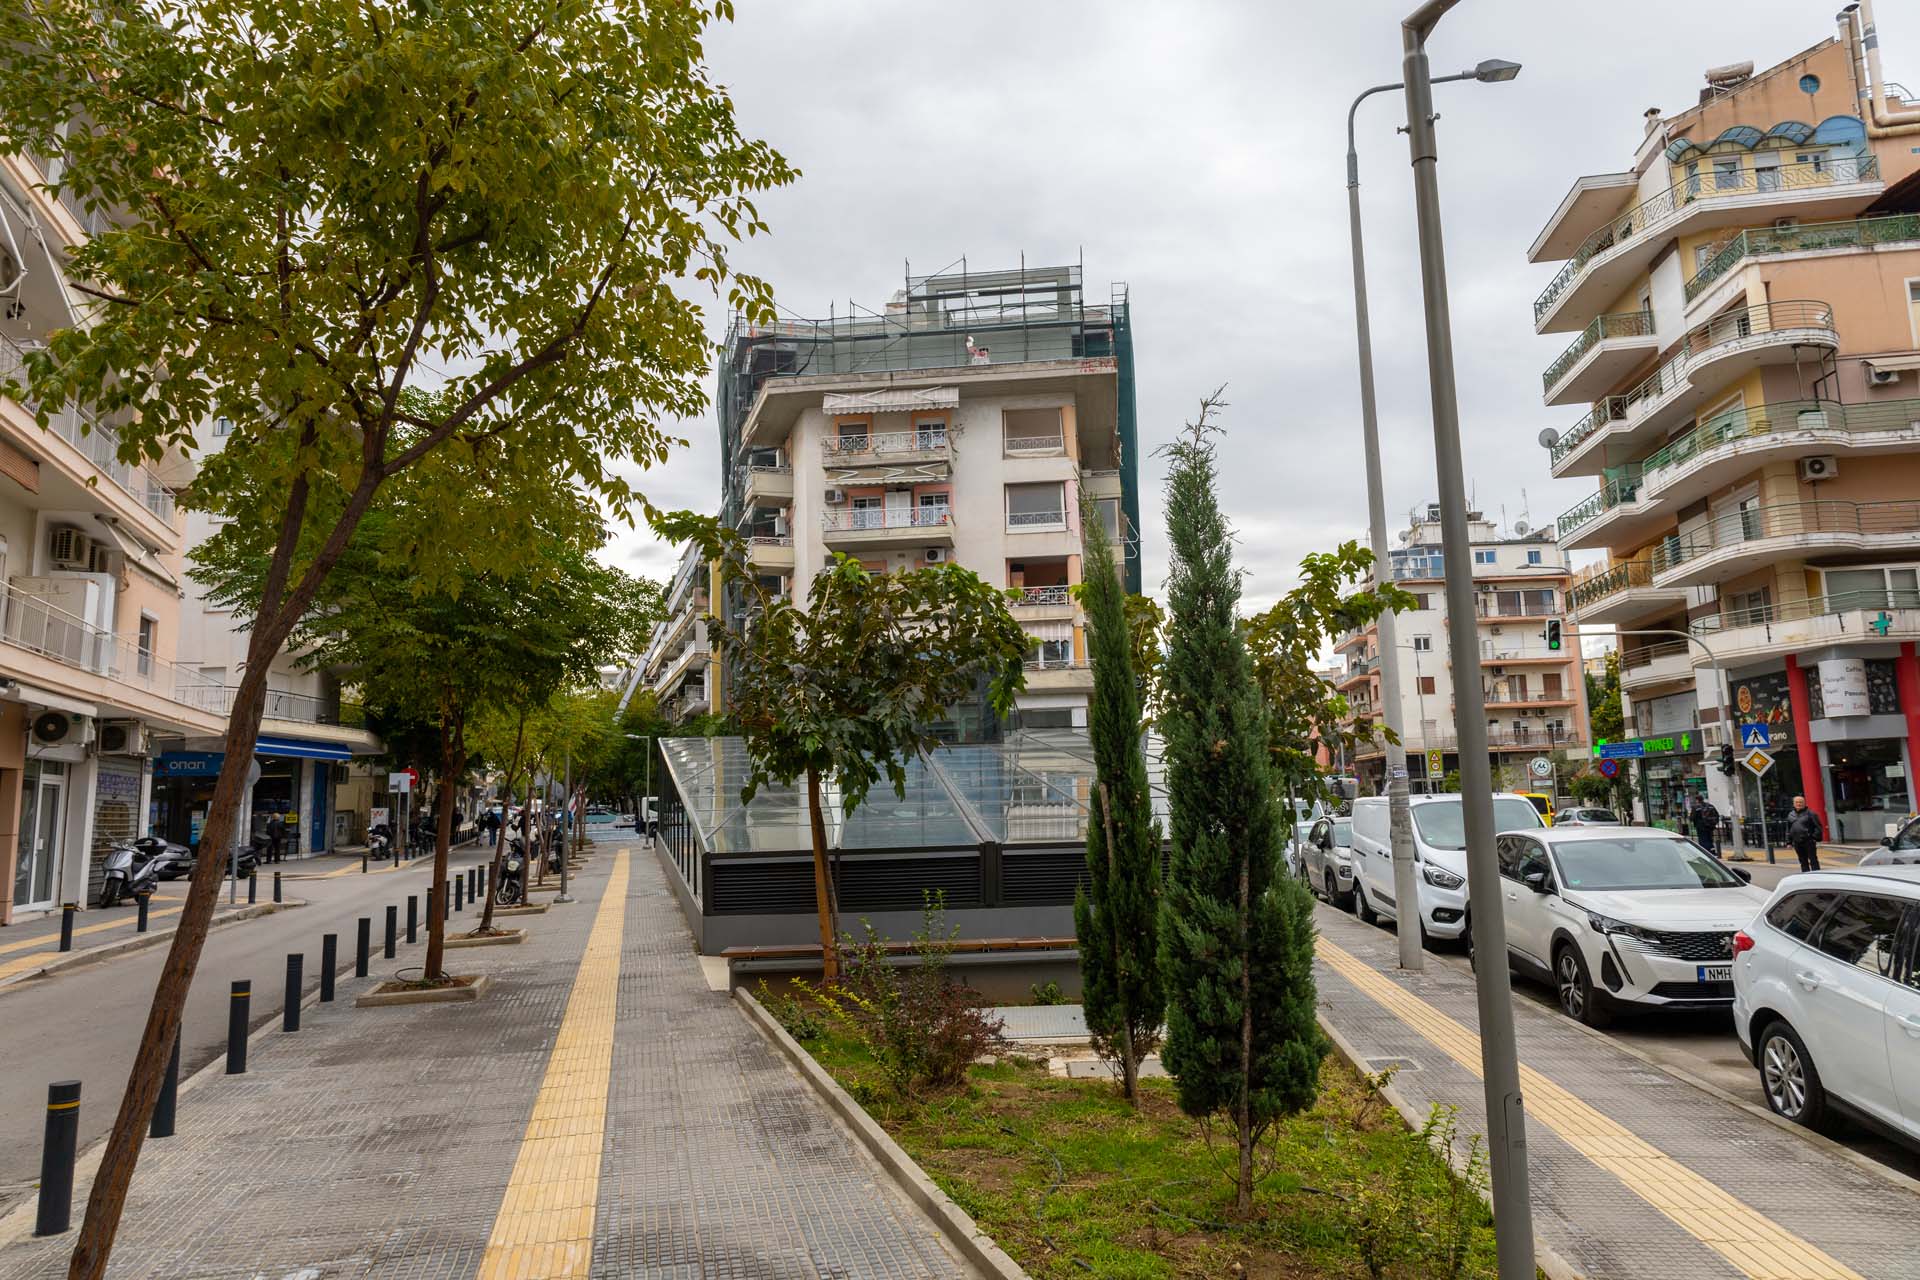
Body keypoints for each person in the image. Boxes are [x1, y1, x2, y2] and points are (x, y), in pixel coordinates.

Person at [1787, 795, 1824, 873]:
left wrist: (1814, 838)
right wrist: (1789, 842)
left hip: (1809, 841)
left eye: (1801, 802)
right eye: (1797, 802)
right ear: (1793, 804)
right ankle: (1805, 875)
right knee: (1802, 861)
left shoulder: (1811, 813)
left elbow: (1818, 827)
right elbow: (1789, 829)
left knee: (1813, 860)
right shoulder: (1790, 814)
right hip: (1797, 841)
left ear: (1804, 803)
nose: (1799, 804)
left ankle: (1817, 875)